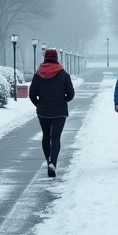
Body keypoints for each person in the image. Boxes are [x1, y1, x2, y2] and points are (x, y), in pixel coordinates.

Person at [28, 47, 76, 177]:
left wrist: (38, 104)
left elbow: (32, 93)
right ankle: (53, 162)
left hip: (43, 111)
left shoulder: (38, 74)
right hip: (60, 110)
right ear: (56, 58)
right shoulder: (63, 74)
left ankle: (48, 160)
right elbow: (71, 93)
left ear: (45, 58)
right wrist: (64, 99)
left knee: (46, 136)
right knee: (55, 137)